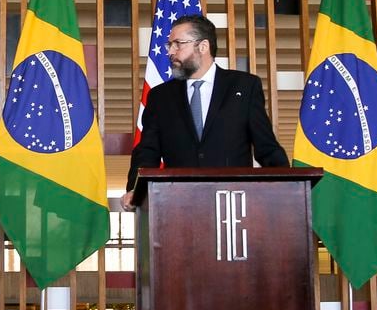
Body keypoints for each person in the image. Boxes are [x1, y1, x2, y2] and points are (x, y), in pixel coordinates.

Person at [122, 14, 288, 210]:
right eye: (169, 46)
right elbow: (147, 151)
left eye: (178, 44)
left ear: (203, 46)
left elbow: (265, 145)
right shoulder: (160, 96)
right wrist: (135, 189)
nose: (170, 52)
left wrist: (286, 185)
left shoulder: (244, 86)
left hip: (234, 206)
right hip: (178, 207)